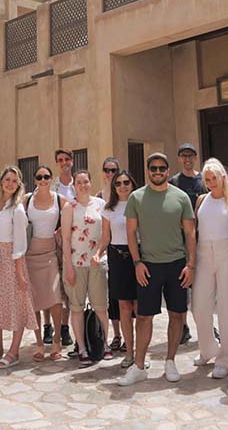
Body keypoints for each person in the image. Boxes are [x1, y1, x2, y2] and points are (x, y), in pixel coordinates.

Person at [118, 153, 196, 386]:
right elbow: (131, 233)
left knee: (177, 315)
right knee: (143, 317)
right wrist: (137, 263)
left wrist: (191, 265)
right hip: (148, 266)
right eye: (153, 168)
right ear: (148, 170)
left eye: (162, 168)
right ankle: (139, 366)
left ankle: (170, 362)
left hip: (177, 265)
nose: (158, 171)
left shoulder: (181, 197)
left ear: (168, 170)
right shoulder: (136, 197)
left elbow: (190, 233)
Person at [191, 158, 228, 379]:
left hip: (226, 254)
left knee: (227, 308)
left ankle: (227, 360)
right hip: (202, 254)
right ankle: (208, 349)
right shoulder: (201, 200)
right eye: (207, 179)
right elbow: (193, 229)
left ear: (223, 177)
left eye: (214, 178)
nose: (211, 182)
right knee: (199, 307)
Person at [0, 166, 37, 368]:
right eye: (7, 179)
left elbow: (20, 240)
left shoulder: (17, 209)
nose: (10, 183)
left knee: (16, 303)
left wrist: (19, 271)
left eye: (14, 181)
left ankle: (14, 351)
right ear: (1, 180)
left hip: (11, 258)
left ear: (19, 185)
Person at [62, 170, 111, 366]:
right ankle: (81, 347)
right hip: (75, 263)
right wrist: (68, 268)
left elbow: (105, 236)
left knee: (101, 307)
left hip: (97, 263)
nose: (83, 185)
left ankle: (104, 344)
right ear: (74, 185)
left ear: (91, 183)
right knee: (76, 307)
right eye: (79, 182)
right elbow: (65, 239)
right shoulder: (69, 207)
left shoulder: (101, 205)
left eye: (86, 181)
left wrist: (99, 253)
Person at [95, 170, 139, 368]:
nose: (122, 186)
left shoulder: (140, 204)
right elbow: (106, 238)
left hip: (139, 257)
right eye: (118, 183)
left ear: (132, 184)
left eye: (126, 182)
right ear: (114, 187)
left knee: (140, 309)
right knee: (124, 308)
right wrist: (98, 253)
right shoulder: (108, 209)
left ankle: (140, 352)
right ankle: (129, 352)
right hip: (118, 258)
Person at [25, 165, 66, 361]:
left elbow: (76, 211)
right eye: (39, 177)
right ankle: (39, 343)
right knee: (34, 302)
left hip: (50, 254)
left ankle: (56, 341)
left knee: (55, 298)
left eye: (46, 176)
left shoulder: (58, 199)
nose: (43, 180)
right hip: (30, 255)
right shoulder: (26, 200)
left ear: (51, 179)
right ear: (34, 180)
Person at [169, 143, 205, 345]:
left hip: (202, 237)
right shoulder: (174, 181)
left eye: (191, 155)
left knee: (203, 284)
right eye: (184, 155)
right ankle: (182, 327)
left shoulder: (204, 180)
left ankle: (208, 325)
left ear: (195, 157)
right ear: (179, 158)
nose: (187, 159)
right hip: (180, 240)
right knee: (181, 285)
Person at [45, 148, 75, 347]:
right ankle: (48, 326)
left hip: (72, 243)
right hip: (51, 242)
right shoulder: (51, 185)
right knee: (49, 285)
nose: (63, 162)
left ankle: (64, 327)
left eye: (66, 159)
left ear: (71, 161)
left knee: (68, 287)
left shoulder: (78, 184)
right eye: (60, 160)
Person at [96, 158, 124, 353]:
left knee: (129, 300)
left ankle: (131, 338)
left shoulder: (126, 193)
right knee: (113, 297)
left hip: (127, 250)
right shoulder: (99, 197)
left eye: (113, 170)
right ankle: (116, 335)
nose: (110, 174)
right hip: (108, 251)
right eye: (106, 170)